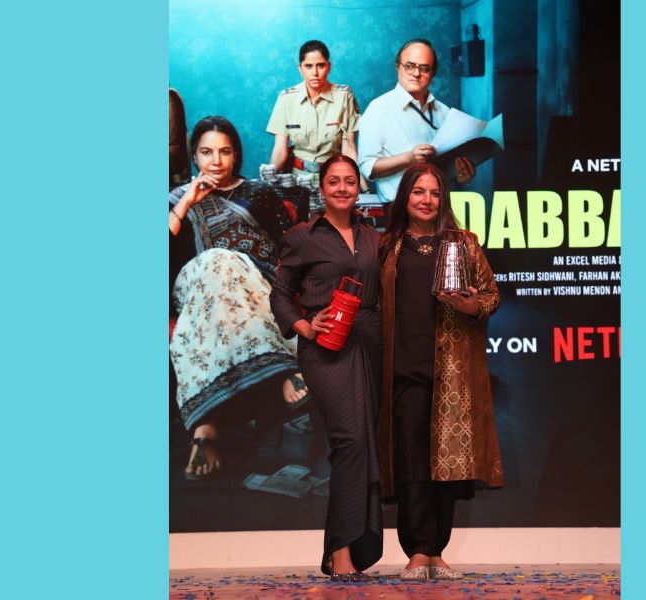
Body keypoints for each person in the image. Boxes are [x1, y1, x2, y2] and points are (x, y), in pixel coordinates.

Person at [378, 163, 503, 580]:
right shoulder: (388, 246)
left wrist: (470, 305)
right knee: (413, 461)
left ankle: (437, 552)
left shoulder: (463, 243)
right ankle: (417, 551)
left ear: (443, 199)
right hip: (404, 367)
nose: (427, 200)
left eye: (434, 193)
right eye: (418, 192)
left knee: (448, 465)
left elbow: (491, 297)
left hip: (452, 371)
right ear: (405, 197)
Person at [169, 115, 311, 481]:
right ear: (194, 156)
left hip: (255, 284)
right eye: (206, 152)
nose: (216, 161)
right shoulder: (176, 199)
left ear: (236, 155)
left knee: (228, 266)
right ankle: (281, 371)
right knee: (218, 260)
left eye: (225, 152)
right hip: (197, 288)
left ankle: (205, 427)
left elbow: (289, 249)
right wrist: (187, 203)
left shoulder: (258, 193)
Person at [271, 154, 382, 581]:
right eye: (333, 181)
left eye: (349, 181)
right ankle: (340, 551)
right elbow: (280, 294)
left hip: (370, 343)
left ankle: (354, 547)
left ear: (359, 187)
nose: (342, 188)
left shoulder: (372, 236)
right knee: (349, 440)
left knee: (364, 443)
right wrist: (304, 326)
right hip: (326, 349)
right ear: (321, 188)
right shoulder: (302, 236)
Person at [357, 38, 476, 209]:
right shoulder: (378, 109)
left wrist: (462, 176)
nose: (416, 73)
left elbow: (450, 168)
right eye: (409, 66)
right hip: (399, 208)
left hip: (440, 207)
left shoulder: (444, 112)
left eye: (425, 68)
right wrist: (409, 158)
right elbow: (367, 167)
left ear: (433, 73)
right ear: (398, 67)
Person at [266, 39, 365, 188]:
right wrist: (266, 184)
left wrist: (361, 186)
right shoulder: (286, 98)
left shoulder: (344, 96)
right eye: (308, 66)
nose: (315, 73)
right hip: (296, 179)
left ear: (329, 67)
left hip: (333, 178)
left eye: (320, 65)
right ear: (300, 69)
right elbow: (280, 150)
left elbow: (349, 149)